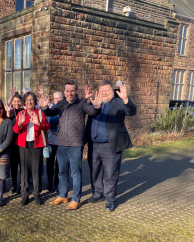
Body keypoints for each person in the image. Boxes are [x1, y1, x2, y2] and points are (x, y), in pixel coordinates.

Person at [39, 80, 102, 210]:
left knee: (75, 173)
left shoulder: (82, 104)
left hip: (75, 144)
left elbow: (92, 111)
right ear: (64, 91)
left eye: (72, 90)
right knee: (62, 171)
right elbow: (50, 113)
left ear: (76, 91)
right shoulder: (60, 104)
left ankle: (76, 199)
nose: (69, 93)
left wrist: (96, 106)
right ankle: (62, 195)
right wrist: (45, 107)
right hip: (61, 144)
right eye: (67, 91)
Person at [85, 81, 137, 211]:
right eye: (101, 91)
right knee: (94, 172)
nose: (104, 93)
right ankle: (97, 194)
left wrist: (126, 99)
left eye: (106, 90)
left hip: (111, 146)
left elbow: (131, 111)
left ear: (113, 90)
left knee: (110, 174)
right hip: (94, 145)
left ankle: (109, 200)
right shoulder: (96, 103)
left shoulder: (119, 102)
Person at [13, 92, 50, 206]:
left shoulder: (39, 113)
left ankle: (37, 193)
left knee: (36, 170)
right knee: (24, 171)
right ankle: (24, 194)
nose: (30, 102)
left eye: (32, 100)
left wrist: (38, 123)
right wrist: (19, 123)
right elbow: (15, 130)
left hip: (36, 145)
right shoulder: (21, 114)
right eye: (28, 100)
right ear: (24, 102)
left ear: (35, 101)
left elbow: (47, 127)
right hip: (23, 146)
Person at [5, 93, 24, 194]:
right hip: (12, 143)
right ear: (12, 102)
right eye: (15, 101)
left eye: (18, 101)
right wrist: (8, 114)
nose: (17, 103)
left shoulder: (24, 112)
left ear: (21, 102)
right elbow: (6, 126)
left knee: (22, 165)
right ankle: (13, 184)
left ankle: (21, 184)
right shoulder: (10, 112)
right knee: (13, 165)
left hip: (22, 142)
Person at [46, 91, 63, 192]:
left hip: (61, 142)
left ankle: (57, 182)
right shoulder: (49, 111)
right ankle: (49, 182)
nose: (57, 100)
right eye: (55, 98)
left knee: (59, 164)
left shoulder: (64, 110)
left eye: (59, 98)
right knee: (49, 163)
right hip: (51, 141)